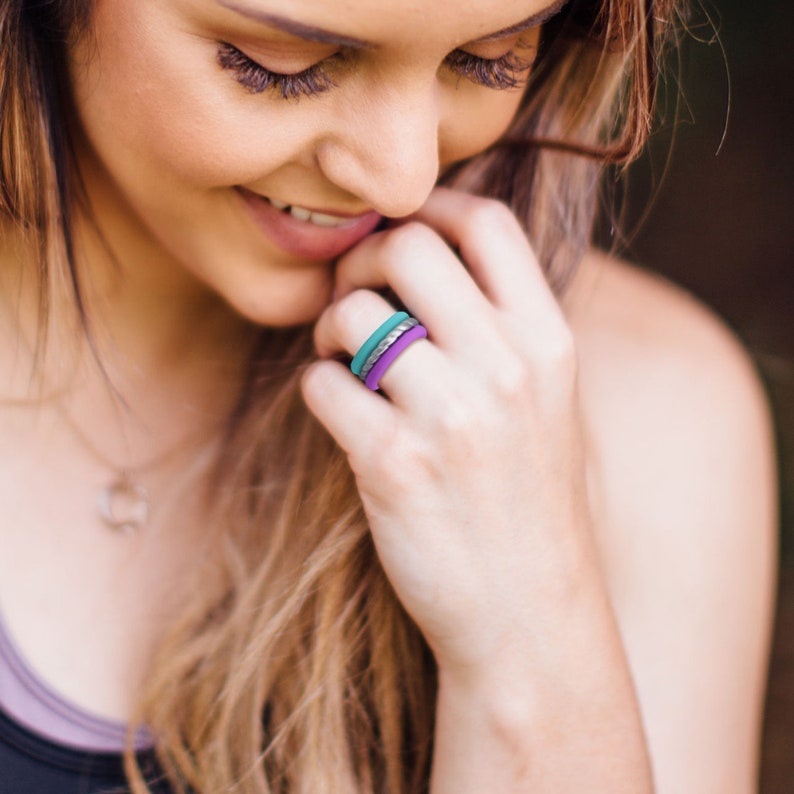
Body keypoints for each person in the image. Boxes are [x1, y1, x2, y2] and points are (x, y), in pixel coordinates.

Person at [0, 0, 777, 791]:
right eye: (279, 65)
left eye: (490, 56)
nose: (403, 178)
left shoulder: (650, 422)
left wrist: (531, 652)